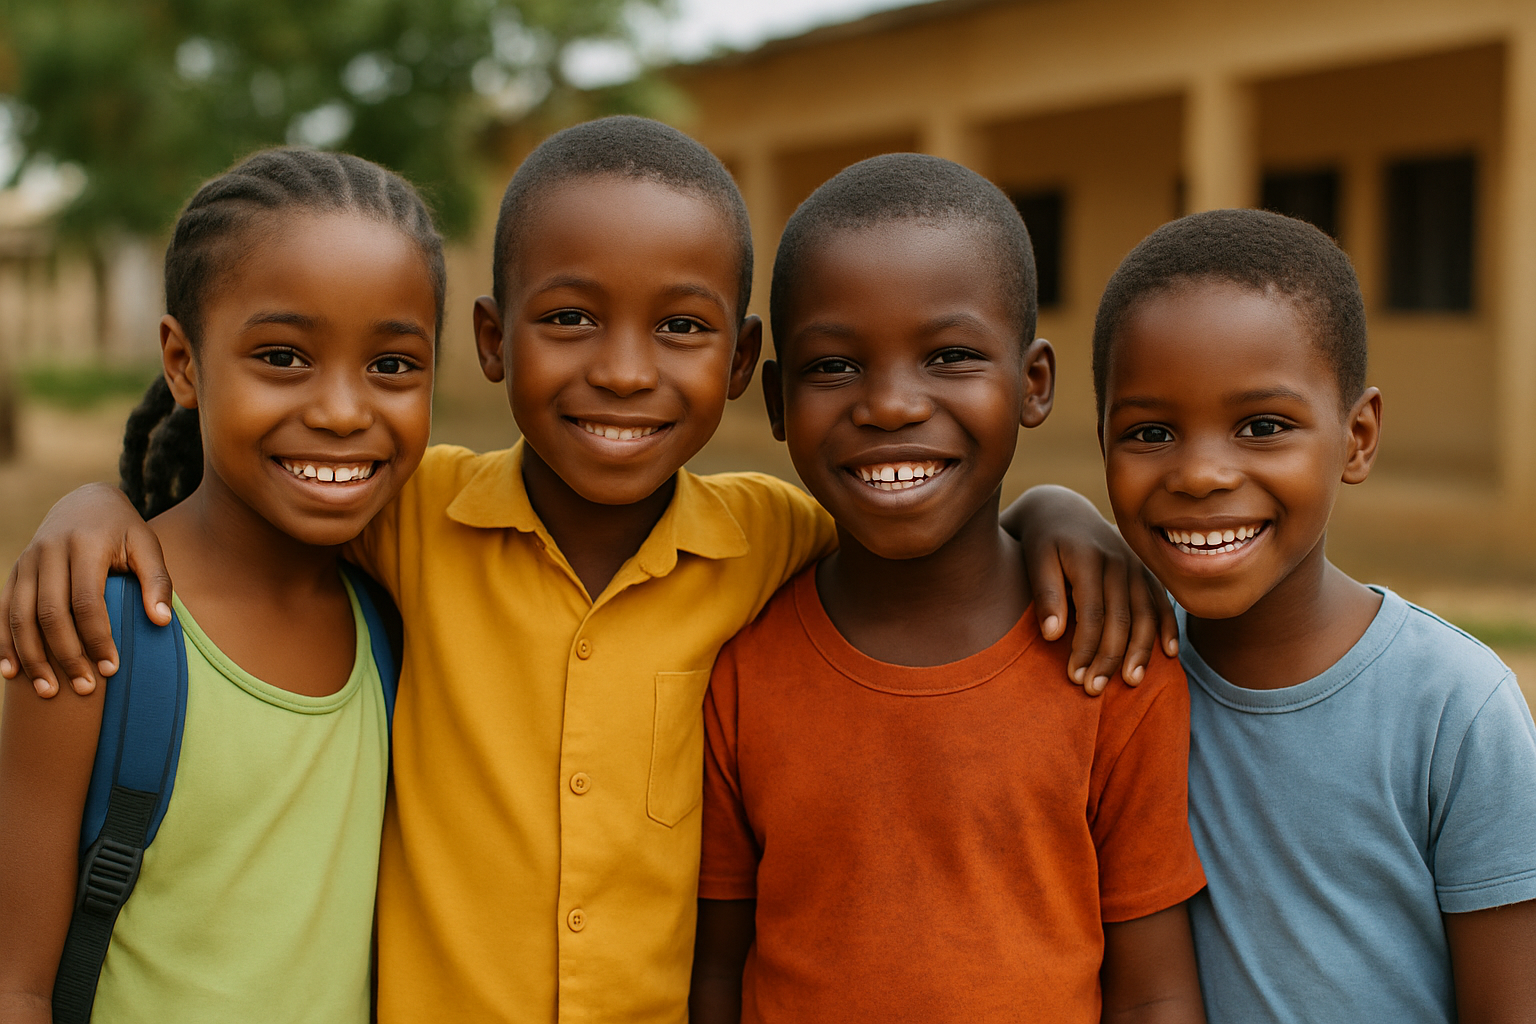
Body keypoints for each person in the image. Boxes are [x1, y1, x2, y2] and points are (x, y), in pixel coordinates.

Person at [0, 118, 1174, 1023]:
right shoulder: (415, 515)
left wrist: (1057, 515)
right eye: (570, 320)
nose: (623, 372)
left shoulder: (775, 539)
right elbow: (268, 487)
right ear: (494, 340)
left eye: (679, 328)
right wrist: (100, 503)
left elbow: (932, 528)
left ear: (740, 362)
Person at [690, 154, 1207, 1024]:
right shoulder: (741, 672)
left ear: (1032, 383)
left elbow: (1155, 991)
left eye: (951, 356)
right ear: (777, 402)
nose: (890, 404)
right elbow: (716, 975)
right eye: (832, 368)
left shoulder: (1109, 661)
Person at [0, 148, 444, 1022]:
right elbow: (15, 982)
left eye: (392, 366)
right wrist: (90, 501)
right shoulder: (100, 626)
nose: (345, 411)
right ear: (183, 361)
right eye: (284, 356)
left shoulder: (397, 614)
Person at [1094, 208, 1536, 1023]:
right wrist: (1050, 510)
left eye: (1263, 427)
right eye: (1150, 432)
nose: (1200, 474)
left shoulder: (1454, 709)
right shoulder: (1115, 672)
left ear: (1358, 437)